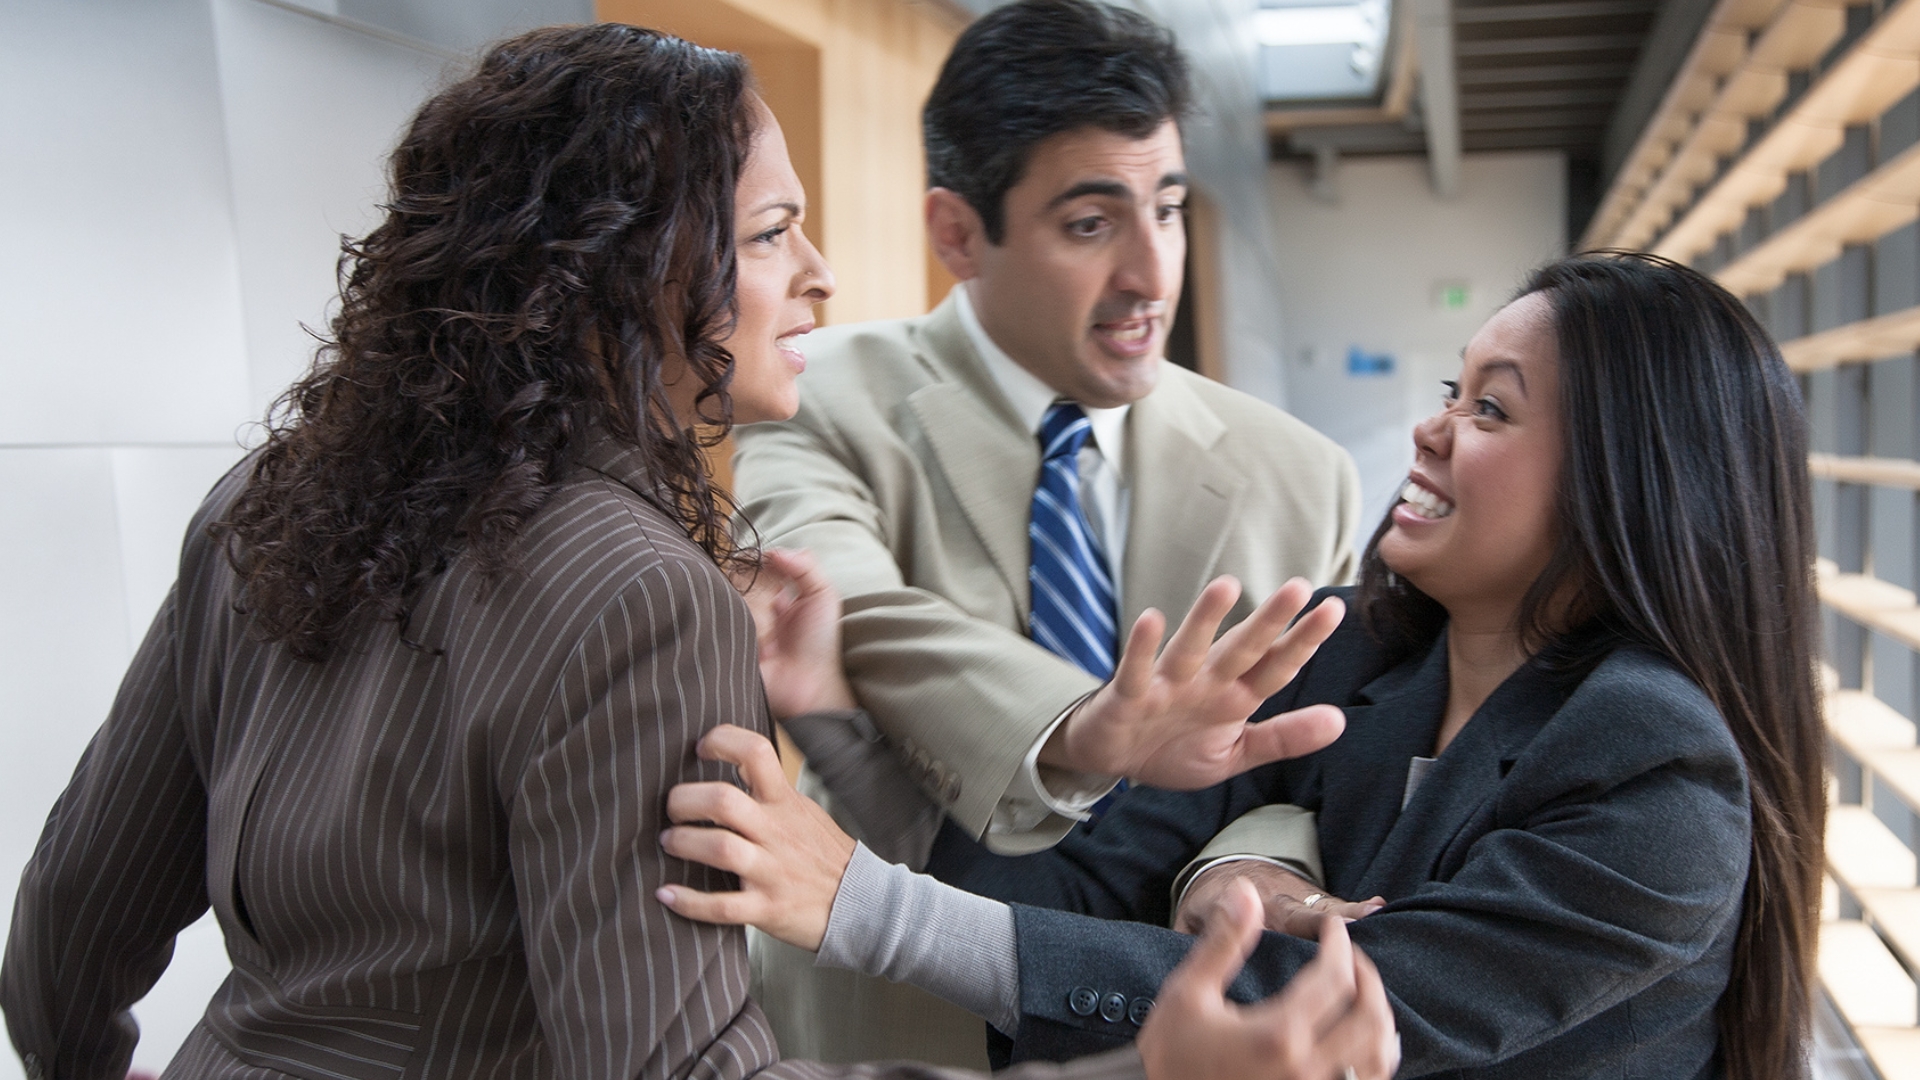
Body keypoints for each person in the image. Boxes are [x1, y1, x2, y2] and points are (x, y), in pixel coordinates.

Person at [0, 22, 1399, 1080]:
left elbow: (63, 936)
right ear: (639, 269)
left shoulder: (267, 498)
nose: (824, 278)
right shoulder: (642, 594)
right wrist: (1140, 1070)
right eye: (775, 234)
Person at [661, 252, 1827, 1079]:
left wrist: (859, 906)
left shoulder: (1656, 768)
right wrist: (829, 719)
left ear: (1627, 482)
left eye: (1492, 410)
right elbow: (1059, 899)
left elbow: (1317, 1019)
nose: (1430, 430)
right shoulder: (1347, 644)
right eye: (1450, 391)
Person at [729, 0, 1358, 1063]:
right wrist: (1085, 731)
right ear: (959, 234)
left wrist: (1241, 871)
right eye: (1089, 223)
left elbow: (1306, 765)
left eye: (1165, 209)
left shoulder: (1303, 478)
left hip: (1170, 1031)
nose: (1151, 274)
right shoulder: (824, 388)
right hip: (890, 1021)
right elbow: (851, 613)